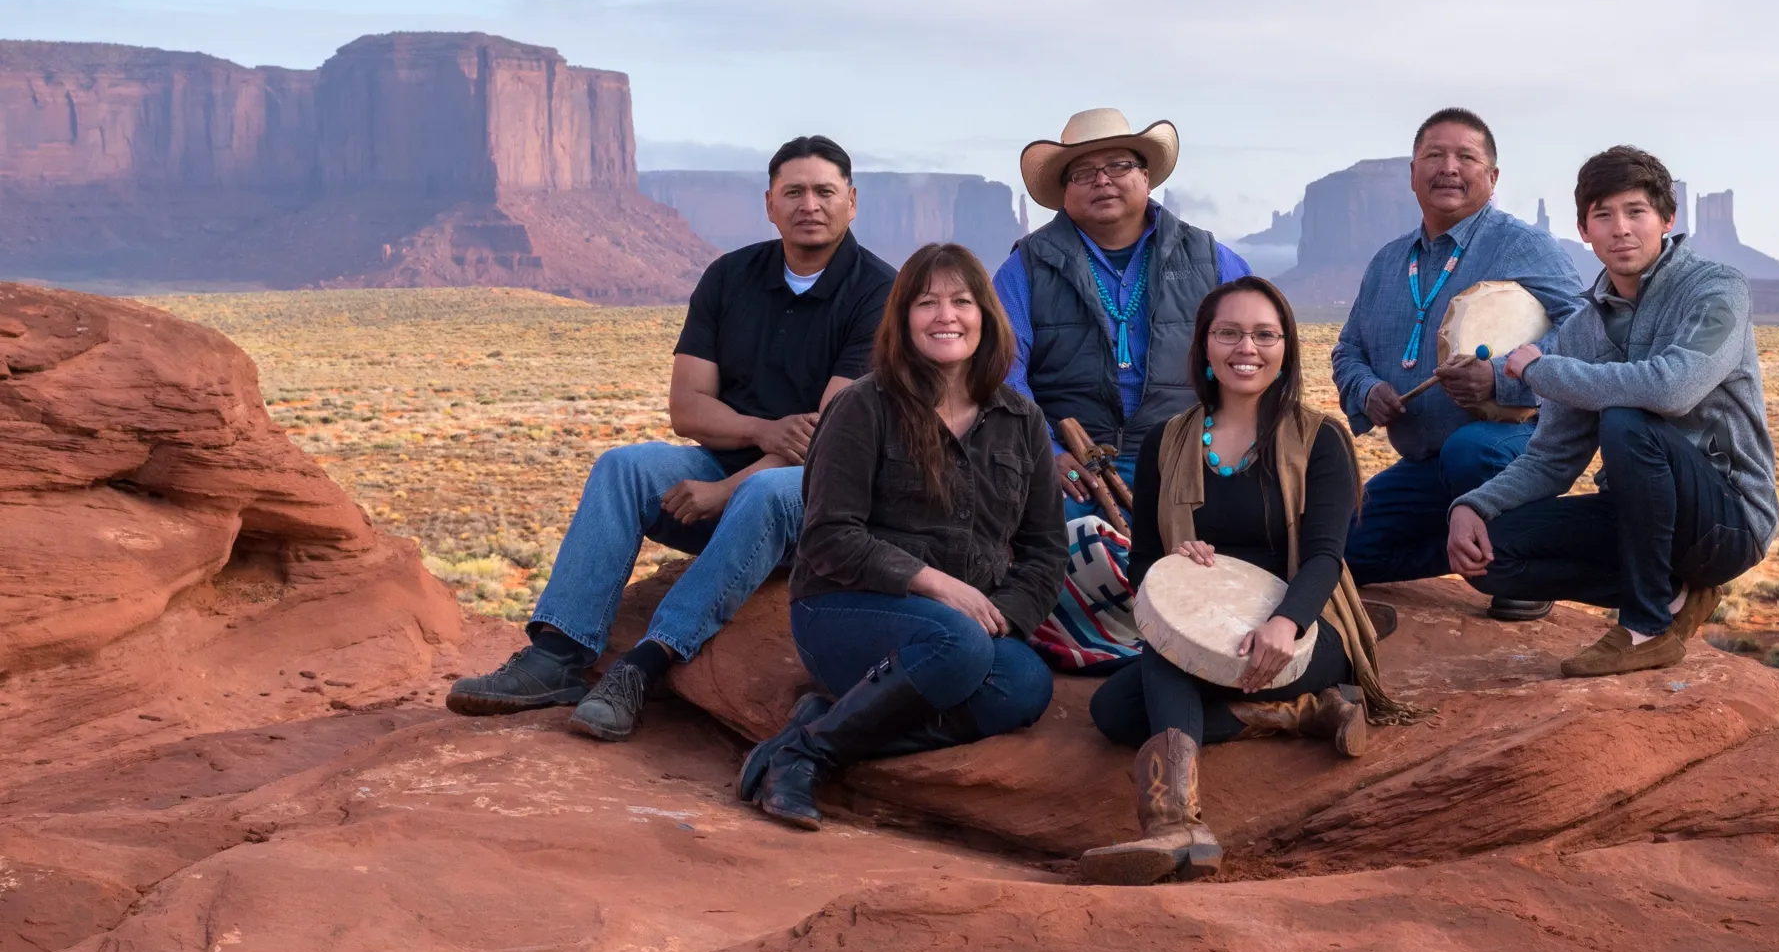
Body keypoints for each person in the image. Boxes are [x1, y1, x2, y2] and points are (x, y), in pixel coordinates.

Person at [447, 135, 895, 738]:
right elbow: (686, 408)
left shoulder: (879, 292)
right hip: (727, 468)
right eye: (793, 191)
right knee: (623, 465)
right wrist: (762, 429)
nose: (808, 204)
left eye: (824, 191)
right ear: (769, 203)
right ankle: (558, 655)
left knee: (769, 493)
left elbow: (827, 441)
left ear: (852, 201)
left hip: (822, 505)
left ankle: (644, 664)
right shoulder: (731, 276)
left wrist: (724, 491)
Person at [1082, 276, 1400, 885]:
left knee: (1163, 674)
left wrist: (1285, 621)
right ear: (1205, 345)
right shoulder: (1166, 442)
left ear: (1286, 347)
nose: (1245, 348)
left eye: (1263, 334)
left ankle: (1175, 824)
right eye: (1228, 333)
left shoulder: (1319, 439)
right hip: (1204, 625)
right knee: (1113, 710)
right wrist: (1176, 565)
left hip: (1306, 626)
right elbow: (1145, 561)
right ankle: (1305, 714)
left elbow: (1326, 556)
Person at [740, 243, 1067, 828]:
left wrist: (1002, 617)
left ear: (986, 317)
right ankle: (807, 757)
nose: (947, 316)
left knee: (1023, 684)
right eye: (927, 303)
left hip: (960, 628)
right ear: (903, 318)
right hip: (845, 610)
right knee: (960, 647)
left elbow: (1046, 550)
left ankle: (815, 736)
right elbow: (828, 537)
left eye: (962, 301)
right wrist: (940, 588)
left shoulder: (1022, 420)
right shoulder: (863, 406)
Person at [1445, 145, 1779, 677]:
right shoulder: (1581, 330)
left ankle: (1646, 626)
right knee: (1494, 557)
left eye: (1636, 212)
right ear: (1584, 229)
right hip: (1640, 517)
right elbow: (1553, 457)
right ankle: (1674, 592)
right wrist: (1474, 506)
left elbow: (1673, 389)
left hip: (1727, 520)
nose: (1620, 228)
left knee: (1627, 419)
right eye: (1603, 215)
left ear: (1667, 219)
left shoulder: (1716, 289)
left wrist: (1539, 370)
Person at [1332, 107, 1583, 619]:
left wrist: (1502, 376)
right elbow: (1347, 350)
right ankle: (1471, 552)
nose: (1449, 167)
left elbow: (1587, 335)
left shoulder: (1524, 244)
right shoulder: (1387, 261)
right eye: (1434, 155)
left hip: (1511, 448)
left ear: (1491, 177)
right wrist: (1366, 390)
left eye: (1465, 157)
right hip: (1426, 463)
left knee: (1471, 449)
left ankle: (1527, 565)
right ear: (1412, 174)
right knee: (1344, 549)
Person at [995, 107, 1252, 508]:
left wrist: (1227, 440)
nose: (1102, 180)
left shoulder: (1210, 258)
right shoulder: (1025, 267)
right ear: (1065, 191)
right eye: (1082, 172)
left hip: (1190, 461)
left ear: (1145, 177)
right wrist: (1045, 450)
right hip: (1067, 470)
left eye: (1118, 165)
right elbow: (1001, 371)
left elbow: (1256, 355)